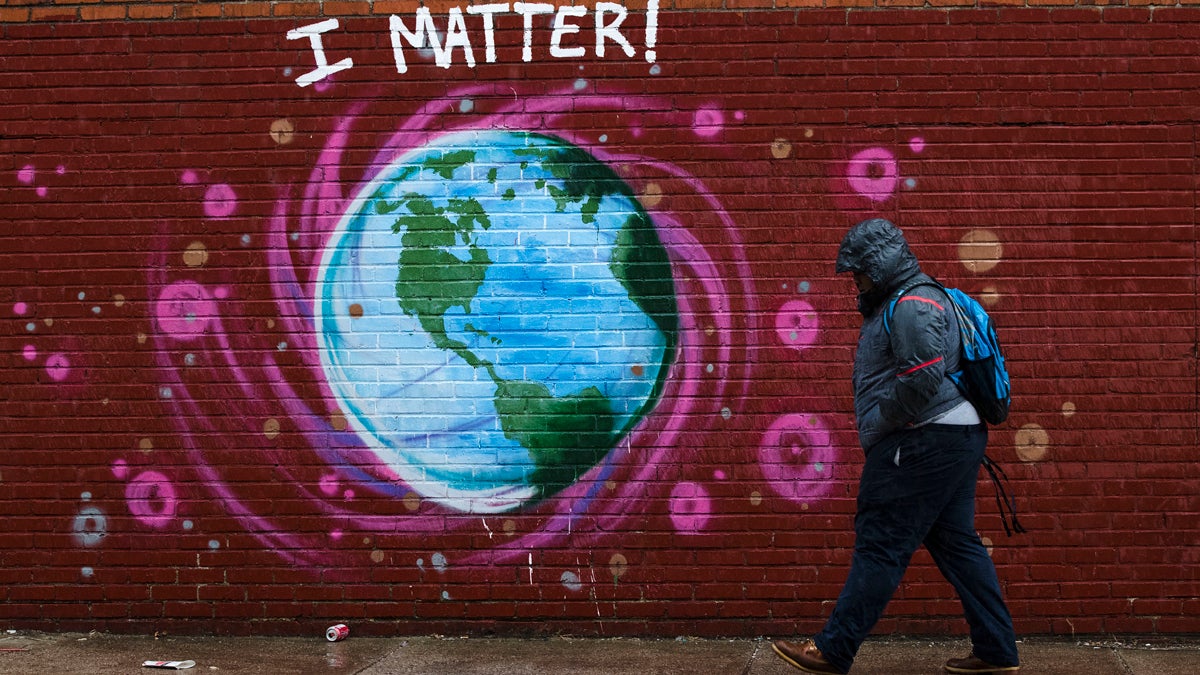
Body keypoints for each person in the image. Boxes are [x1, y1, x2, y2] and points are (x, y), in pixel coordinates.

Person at [772, 218, 1020, 675]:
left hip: (922, 438)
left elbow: (922, 376)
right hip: (950, 437)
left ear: (880, 265)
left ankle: (833, 649)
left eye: (859, 272)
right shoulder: (909, 299)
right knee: (958, 545)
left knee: (881, 541)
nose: (856, 282)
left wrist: (881, 423)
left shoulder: (913, 304)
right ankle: (997, 652)